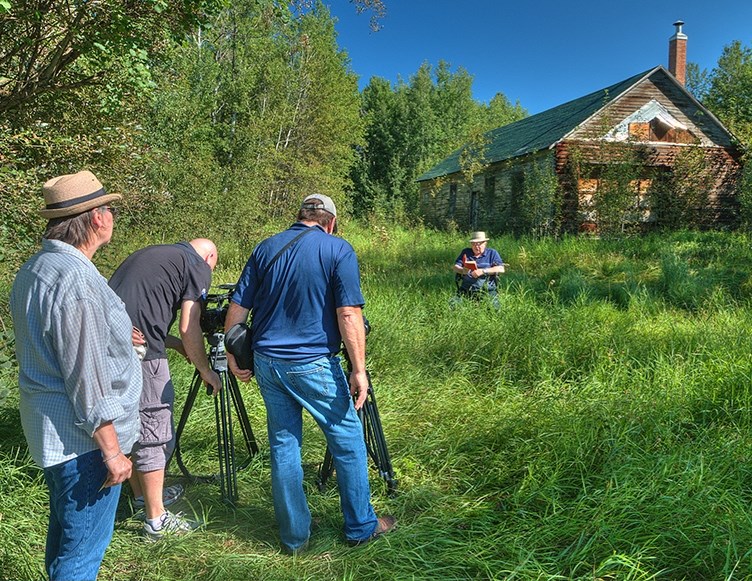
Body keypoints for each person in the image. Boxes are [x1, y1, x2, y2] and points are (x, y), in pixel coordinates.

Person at [224, 193, 396, 554]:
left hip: (268, 363)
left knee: (284, 445)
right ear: (330, 221)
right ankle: (361, 526)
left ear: (300, 216)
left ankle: (295, 538)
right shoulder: (337, 249)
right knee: (347, 440)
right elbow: (349, 314)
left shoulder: (266, 247)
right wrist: (359, 370)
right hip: (313, 362)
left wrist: (232, 355)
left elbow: (237, 307)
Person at [10, 170, 142, 580]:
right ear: (97, 219)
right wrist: (112, 451)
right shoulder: (77, 280)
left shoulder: (36, 268)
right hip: (84, 443)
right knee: (81, 557)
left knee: (66, 543)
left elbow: (60, 346)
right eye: (110, 210)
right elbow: (85, 375)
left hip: (53, 432)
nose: (113, 218)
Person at [108, 239, 221, 540]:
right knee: (154, 431)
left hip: (109, 349)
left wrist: (179, 348)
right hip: (144, 358)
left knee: (133, 426)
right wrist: (205, 369)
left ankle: (142, 498)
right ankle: (156, 521)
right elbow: (189, 324)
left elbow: (147, 327)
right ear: (209, 257)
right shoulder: (198, 265)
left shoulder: (152, 253)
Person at [451, 231, 505, 308]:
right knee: (452, 306)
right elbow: (455, 267)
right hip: (466, 289)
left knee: (495, 308)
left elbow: (501, 268)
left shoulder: (492, 253)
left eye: (479, 244)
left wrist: (483, 271)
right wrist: (463, 270)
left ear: (485, 243)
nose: (476, 246)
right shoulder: (466, 252)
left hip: (487, 290)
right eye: (474, 244)